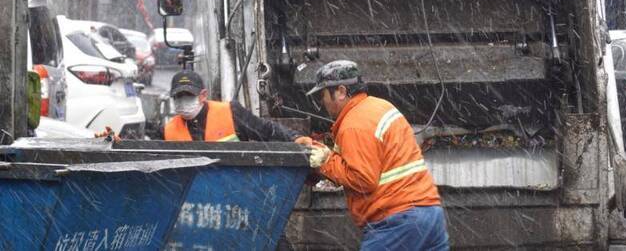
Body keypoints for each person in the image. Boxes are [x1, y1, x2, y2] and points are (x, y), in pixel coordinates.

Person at [305, 60, 448, 250]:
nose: (322, 101)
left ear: (340, 91)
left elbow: (363, 179)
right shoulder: (381, 107)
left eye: (322, 94)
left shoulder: (354, 124)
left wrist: (325, 161)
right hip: (430, 213)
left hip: (398, 220)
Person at [162, 70, 311, 145]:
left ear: (203, 95)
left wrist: (294, 138)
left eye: (188, 96)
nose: (183, 101)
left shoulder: (230, 112)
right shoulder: (168, 130)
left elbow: (265, 130)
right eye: (178, 97)